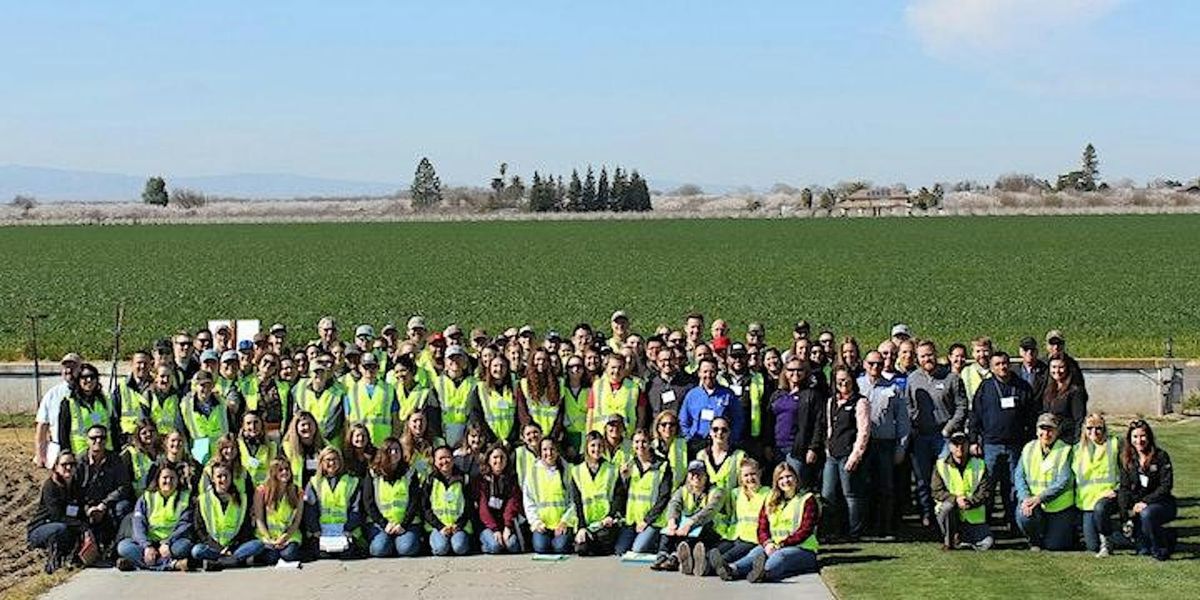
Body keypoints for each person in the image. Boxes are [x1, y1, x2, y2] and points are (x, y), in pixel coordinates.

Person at [711, 463, 819, 583]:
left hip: (802, 549)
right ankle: (732, 570)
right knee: (755, 553)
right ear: (776, 482)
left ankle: (764, 573)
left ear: (796, 478)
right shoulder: (771, 499)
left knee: (780, 557)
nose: (786, 481)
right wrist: (767, 543)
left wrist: (781, 545)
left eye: (789, 476)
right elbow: (762, 527)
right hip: (774, 545)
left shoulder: (807, 499)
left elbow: (805, 530)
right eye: (781, 478)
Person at [905, 340, 968, 527]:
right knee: (922, 479)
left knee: (946, 477)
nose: (927, 359)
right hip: (921, 437)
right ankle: (927, 515)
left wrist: (949, 428)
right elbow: (908, 405)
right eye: (923, 356)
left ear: (936, 354)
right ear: (917, 358)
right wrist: (913, 422)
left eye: (930, 355)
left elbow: (961, 407)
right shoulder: (913, 378)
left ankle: (948, 517)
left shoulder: (951, 378)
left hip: (944, 437)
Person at [858, 351, 908, 539]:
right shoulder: (856, 385)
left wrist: (901, 448)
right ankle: (865, 527)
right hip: (862, 445)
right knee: (863, 486)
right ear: (864, 364)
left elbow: (903, 420)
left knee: (886, 487)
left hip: (885, 444)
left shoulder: (894, 388)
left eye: (879, 364)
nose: (875, 367)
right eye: (871, 363)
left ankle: (885, 528)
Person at [1014, 414, 1077, 551]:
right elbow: (1019, 476)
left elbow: (1063, 481)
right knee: (1023, 515)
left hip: (1059, 507)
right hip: (1034, 505)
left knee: (1054, 546)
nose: (1046, 433)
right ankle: (1034, 541)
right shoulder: (1028, 448)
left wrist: (1039, 498)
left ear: (1057, 431)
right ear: (1037, 431)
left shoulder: (1065, 450)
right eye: (1042, 429)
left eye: (1050, 429)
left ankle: (1066, 534)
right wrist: (1025, 498)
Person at [650, 460, 725, 573]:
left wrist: (690, 523)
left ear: (706, 476)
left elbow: (709, 511)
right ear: (688, 476)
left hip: (711, 529)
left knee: (694, 532)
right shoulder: (683, 490)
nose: (696, 477)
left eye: (700, 474)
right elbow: (674, 504)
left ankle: (676, 558)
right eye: (692, 474)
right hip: (686, 527)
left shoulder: (716, 491)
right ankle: (662, 556)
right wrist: (672, 522)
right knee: (668, 530)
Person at [116, 464, 194, 571]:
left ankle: (136, 564)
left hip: (171, 543)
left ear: (177, 480)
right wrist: (146, 546)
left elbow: (184, 525)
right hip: (149, 542)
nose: (168, 481)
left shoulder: (185, 498)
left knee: (184, 547)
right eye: (165, 478)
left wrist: (167, 542)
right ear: (158, 479)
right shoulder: (147, 497)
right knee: (123, 547)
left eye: (172, 478)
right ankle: (172, 564)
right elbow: (138, 524)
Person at [822, 367, 870, 541]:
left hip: (848, 454)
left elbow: (863, 431)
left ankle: (854, 532)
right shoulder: (830, 402)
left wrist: (856, 455)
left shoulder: (860, 402)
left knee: (850, 495)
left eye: (846, 380)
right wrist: (827, 448)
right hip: (832, 455)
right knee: (828, 494)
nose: (843, 383)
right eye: (840, 380)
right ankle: (832, 531)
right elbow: (829, 427)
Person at [699, 459, 768, 577]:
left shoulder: (768, 493)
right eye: (746, 475)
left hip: (753, 539)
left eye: (753, 474)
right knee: (715, 551)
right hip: (735, 535)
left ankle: (708, 568)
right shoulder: (736, 493)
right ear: (741, 478)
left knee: (728, 556)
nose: (750, 478)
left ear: (759, 473)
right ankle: (699, 564)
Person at [1119, 419, 1176, 560]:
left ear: (1149, 436)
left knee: (1147, 514)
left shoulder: (1161, 456)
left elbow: (1166, 486)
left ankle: (1160, 549)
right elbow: (1125, 487)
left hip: (1162, 503)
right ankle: (1166, 536)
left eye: (1142, 436)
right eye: (1135, 437)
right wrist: (1126, 512)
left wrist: (1145, 501)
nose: (1139, 440)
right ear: (1130, 438)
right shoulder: (1127, 459)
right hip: (1138, 506)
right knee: (1143, 551)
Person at [192, 462, 263, 569]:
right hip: (213, 547)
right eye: (219, 476)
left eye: (226, 476)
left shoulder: (242, 499)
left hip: (236, 547)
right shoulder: (203, 500)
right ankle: (234, 561)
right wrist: (220, 549)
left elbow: (246, 529)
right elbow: (200, 530)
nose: (223, 479)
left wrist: (231, 547)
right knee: (197, 550)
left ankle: (219, 563)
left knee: (258, 544)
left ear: (231, 477)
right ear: (213, 479)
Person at [768, 359, 825, 491]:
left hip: (798, 449)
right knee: (778, 488)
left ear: (806, 372)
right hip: (777, 448)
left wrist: (813, 447)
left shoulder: (811, 395)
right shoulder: (777, 394)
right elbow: (769, 422)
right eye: (791, 370)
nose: (795, 373)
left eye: (799, 370)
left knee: (796, 488)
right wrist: (767, 444)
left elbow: (819, 423)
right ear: (785, 372)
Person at [931, 432, 994, 551]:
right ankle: (949, 541)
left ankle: (964, 541)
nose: (959, 447)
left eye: (963, 444)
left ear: (968, 445)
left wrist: (969, 502)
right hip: (951, 513)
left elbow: (985, 492)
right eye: (955, 444)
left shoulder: (979, 464)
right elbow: (936, 491)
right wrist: (956, 499)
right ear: (950, 446)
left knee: (988, 544)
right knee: (947, 507)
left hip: (972, 515)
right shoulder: (941, 465)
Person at [615, 428, 672, 555]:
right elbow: (621, 495)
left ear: (651, 443)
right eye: (636, 442)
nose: (640, 445)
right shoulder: (630, 465)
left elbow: (664, 497)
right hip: (633, 520)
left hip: (653, 520)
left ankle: (659, 541)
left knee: (638, 549)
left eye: (644, 442)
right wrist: (624, 479)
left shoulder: (662, 465)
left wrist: (647, 521)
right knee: (620, 550)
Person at [363, 437, 422, 558]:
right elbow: (368, 502)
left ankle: (400, 542)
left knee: (407, 549)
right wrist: (384, 524)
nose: (394, 453)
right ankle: (389, 543)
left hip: (406, 524)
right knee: (379, 550)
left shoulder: (409, 472)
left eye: (397, 450)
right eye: (390, 450)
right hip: (381, 524)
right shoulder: (373, 474)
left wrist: (403, 525)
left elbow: (414, 501)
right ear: (383, 453)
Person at [570, 432, 627, 555]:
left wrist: (611, 515)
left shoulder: (612, 469)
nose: (596, 449)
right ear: (586, 447)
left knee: (604, 541)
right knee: (581, 550)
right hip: (587, 522)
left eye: (600, 446)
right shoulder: (577, 471)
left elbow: (619, 496)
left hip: (606, 522)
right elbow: (577, 501)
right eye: (593, 446)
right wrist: (581, 527)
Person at [27, 452, 84, 573]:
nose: (68, 467)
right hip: (41, 528)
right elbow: (56, 516)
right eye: (64, 464)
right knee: (60, 528)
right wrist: (80, 525)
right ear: (56, 467)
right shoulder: (50, 486)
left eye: (72, 464)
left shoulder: (76, 486)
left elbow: (80, 510)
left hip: (66, 525)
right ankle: (53, 564)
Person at [303, 447, 364, 558]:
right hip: (322, 532)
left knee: (347, 554)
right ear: (321, 462)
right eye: (328, 460)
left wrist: (348, 529)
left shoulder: (352, 481)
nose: (332, 463)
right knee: (323, 555)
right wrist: (315, 530)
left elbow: (356, 508)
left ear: (340, 462)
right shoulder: (314, 482)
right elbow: (310, 510)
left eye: (335, 459)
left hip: (345, 530)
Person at [1074, 414, 1120, 556]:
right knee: (1092, 546)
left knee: (1101, 510)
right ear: (1084, 429)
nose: (1094, 432)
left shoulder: (1114, 444)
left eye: (1098, 428)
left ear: (1104, 429)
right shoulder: (1076, 449)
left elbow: (1126, 472)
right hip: (1087, 502)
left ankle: (1108, 541)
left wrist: (1118, 490)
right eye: (1089, 428)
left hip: (1108, 497)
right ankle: (1121, 535)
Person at [718, 343, 772, 462]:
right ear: (727, 359)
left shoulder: (758, 379)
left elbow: (767, 412)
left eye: (741, 356)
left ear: (747, 358)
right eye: (734, 356)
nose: (738, 360)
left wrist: (766, 442)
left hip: (751, 438)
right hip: (724, 437)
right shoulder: (719, 379)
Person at [523, 438, 577, 554]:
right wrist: (536, 522)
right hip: (542, 524)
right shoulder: (532, 472)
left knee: (560, 548)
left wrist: (565, 521)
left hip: (562, 523)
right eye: (545, 450)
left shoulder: (568, 470)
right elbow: (528, 501)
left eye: (552, 449)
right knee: (541, 548)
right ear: (540, 452)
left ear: (557, 451)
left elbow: (573, 501)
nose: (549, 453)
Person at [679, 358, 741, 454]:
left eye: (712, 372)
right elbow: (683, 420)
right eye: (705, 372)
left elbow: (738, 419)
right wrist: (688, 437)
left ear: (717, 373)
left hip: (721, 443)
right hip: (696, 443)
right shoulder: (692, 395)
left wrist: (731, 439)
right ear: (699, 373)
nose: (708, 375)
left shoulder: (727, 394)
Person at [57, 363, 119, 457]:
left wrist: (116, 451)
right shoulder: (69, 403)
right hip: (80, 454)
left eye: (92, 377)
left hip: (105, 453)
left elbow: (113, 427)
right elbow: (63, 434)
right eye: (84, 377)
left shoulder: (105, 401)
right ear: (78, 380)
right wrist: (66, 454)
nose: (89, 380)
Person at [423, 445, 473, 556]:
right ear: (435, 461)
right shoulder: (430, 480)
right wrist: (440, 527)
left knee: (460, 548)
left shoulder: (464, 478)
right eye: (440, 458)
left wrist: (458, 525)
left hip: (459, 526)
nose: (444, 461)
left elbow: (469, 506)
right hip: (438, 527)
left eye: (448, 457)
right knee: (441, 549)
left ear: (453, 459)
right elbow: (425, 508)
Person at [253, 457, 304, 564]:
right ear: (273, 472)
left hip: (289, 535)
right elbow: (259, 520)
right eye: (280, 470)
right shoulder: (261, 491)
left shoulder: (297, 491)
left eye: (287, 469)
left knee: (288, 554)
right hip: (268, 536)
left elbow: (296, 521)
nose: (284, 472)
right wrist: (270, 539)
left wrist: (284, 538)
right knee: (271, 557)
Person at [35, 353, 82, 469]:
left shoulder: (87, 393)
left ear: (80, 369)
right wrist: (40, 454)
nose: (69, 370)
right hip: (58, 450)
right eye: (66, 367)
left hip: (81, 450)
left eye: (73, 367)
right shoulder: (52, 395)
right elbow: (42, 427)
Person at [475, 445, 523, 554]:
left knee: (512, 546)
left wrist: (507, 527)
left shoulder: (511, 479)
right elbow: (483, 509)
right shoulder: (481, 480)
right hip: (487, 525)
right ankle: (482, 544)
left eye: (502, 457)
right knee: (495, 547)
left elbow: (512, 504)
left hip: (505, 524)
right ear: (489, 460)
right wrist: (495, 530)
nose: (499, 461)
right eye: (495, 457)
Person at [344, 352, 397, 446]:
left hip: (383, 441)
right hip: (359, 443)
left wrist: (393, 440)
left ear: (378, 367)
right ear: (360, 368)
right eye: (366, 367)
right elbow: (347, 421)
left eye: (373, 367)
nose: (370, 370)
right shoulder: (351, 391)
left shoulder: (389, 389)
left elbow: (395, 419)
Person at [292, 358, 347, 449]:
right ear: (310, 374)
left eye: (322, 372)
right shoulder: (299, 391)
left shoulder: (338, 392)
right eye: (316, 372)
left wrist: (320, 438)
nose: (319, 375)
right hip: (307, 441)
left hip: (331, 442)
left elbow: (336, 422)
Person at [178, 371, 230, 465]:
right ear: (196, 386)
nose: (206, 389)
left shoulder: (222, 403)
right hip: (198, 453)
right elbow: (183, 429)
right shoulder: (186, 406)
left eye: (209, 385)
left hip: (220, 451)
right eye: (202, 385)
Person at [516, 348, 566, 444]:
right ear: (532, 361)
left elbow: (561, 412)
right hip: (533, 436)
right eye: (538, 359)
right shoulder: (524, 384)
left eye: (544, 360)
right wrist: (533, 432)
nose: (541, 362)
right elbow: (522, 411)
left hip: (552, 436)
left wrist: (553, 435)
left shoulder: (559, 383)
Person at [587, 354, 646, 434]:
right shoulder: (597, 386)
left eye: (620, 368)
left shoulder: (635, 387)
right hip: (601, 436)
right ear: (606, 368)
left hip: (625, 436)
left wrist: (637, 434)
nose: (616, 371)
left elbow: (641, 416)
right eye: (613, 367)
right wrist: (589, 434)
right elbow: (590, 413)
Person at [432, 347, 477, 448]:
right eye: (451, 358)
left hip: (466, 438)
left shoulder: (474, 383)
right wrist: (438, 437)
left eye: (458, 357)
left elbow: (475, 412)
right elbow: (433, 412)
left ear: (465, 360)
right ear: (445, 362)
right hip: (443, 436)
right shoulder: (438, 382)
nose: (455, 361)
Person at [470, 355, 519, 447]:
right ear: (489, 368)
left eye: (502, 366)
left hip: (511, 442)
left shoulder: (515, 387)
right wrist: (492, 439)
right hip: (490, 442)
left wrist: (511, 439)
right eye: (495, 366)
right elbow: (476, 416)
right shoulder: (480, 388)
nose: (499, 369)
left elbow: (518, 416)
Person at [1042, 357, 1088, 445]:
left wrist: (1077, 442)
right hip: (1050, 437)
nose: (1057, 370)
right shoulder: (1048, 388)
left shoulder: (1075, 391)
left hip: (1067, 438)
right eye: (1054, 367)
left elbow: (1079, 419)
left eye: (1061, 367)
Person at [645, 348, 696, 422]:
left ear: (675, 360)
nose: (667, 363)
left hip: (680, 428)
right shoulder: (650, 385)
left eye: (670, 359)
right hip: (657, 428)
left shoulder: (688, 384)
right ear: (657, 362)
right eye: (663, 360)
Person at [113, 351, 155, 442]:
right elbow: (114, 416)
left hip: (151, 439)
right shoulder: (122, 387)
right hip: (128, 439)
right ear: (131, 364)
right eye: (139, 363)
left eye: (145, 363)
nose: (142, 366)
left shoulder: (157, 385)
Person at [281, 411, 326, 490]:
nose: (307, 427)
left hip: (319, 492)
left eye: (309, 424)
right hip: (295, 492)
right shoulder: (286, 448)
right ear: (296, 428)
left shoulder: (325, 446)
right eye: (303, 425)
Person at [560, 355, 591, 454]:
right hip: (567, 436)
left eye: (579, 366)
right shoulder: (562, 389)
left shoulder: (590, 390)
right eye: (571, 366)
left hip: (586, 435)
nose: (575, 369)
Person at [122, 419, 161, 497]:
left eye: (151, 431)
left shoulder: (164, 451)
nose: (149, 434)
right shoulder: (130, 452)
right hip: (137, 496)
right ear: (138, 435)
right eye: (144, 433)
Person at [652, 410, 689, 490]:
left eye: (672, 424)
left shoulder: (685, 446)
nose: (668, 427)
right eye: (664, 424)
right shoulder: (651, 447)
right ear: (658, 428)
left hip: (676, 492)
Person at [142, 365, 183, 436]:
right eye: (162, 376)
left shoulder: (178, 397)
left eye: (168, 377)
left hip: (171, 440)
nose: (166, 380)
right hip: (154, 439)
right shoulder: (148, 395)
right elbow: (143, 421)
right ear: (156, 378)